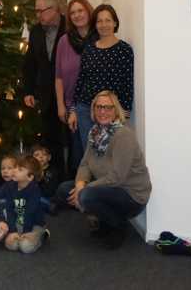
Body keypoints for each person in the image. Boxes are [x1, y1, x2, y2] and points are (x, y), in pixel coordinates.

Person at [56, 90, 151, 249]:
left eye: (108, 107)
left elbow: (117, 177)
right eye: (98, 107)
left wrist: (84, 190)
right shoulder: (95, 132)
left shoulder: (123, 135)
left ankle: (119, 225)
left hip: (130, 194)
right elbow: (85, 164)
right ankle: (105, 219)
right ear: (93, 110)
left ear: (116, 110)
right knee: (64, 189)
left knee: (86, 196)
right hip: (108, 188)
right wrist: (80, 184)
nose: (102, 111)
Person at [23, 0, 67, 176]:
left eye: (42, 11)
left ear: (55, 10)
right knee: (50, 140)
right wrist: (28, 91)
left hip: (68, 93)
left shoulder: (69, 28)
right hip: (45, 95)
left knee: (69, 140)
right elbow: (30, 63)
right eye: (36, 11)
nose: (39, 15)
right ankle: (52, 178)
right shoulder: (36, 31)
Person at [72, 4, 134, 125]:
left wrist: (124, 115)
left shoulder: (124, 50)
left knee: (110, 145)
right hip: (86, 110)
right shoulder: (89, 49)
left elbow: (127, 84)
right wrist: (73, 110)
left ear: (115, 23)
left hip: (111, 113)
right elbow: (81, 80)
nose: (104, 25)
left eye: (108, 20)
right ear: (95, 25)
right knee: (89, 144)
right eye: (99, 21)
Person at [56, 0, 95, 170]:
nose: (77, 15)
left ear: (88, 11)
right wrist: (61, 106)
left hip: (92, 105)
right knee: (76, 155)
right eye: (72, 12)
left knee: (92, 154)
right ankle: (76, 192)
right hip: (71, 106)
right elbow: (58, 76)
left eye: (80, 10)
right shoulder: (64, 41)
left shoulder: (97, 39)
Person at [3, 156, 48, 254]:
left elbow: (29, 213)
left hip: (34, 225)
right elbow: (9, 210)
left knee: (25, 247)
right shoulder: (11, 187)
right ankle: (19, 236)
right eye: (15, 167)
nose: (14, 171)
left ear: (30, 177)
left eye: (20, 169)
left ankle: (42, 235)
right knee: (11, 245)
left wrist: (26, 233)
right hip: (18, 222)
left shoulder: (34, 190)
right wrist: (13, 231)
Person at [32, 144, 59, 214]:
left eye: (44, 154)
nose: (41, 157)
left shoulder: (52, 171)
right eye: (37, 155)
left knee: (38, 199)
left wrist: (41, 178)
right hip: (36, 196)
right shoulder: (32, 171)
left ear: (49, 157)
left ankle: (49, 206)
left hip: (49, 197)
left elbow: (52, 189)